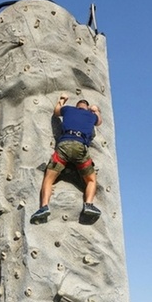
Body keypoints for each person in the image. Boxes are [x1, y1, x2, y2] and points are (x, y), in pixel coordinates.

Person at [31, 93, 103, 223]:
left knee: (48, 178)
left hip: (64, 146)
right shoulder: (91, 115)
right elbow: (99, 121)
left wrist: (62, 99)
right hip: (80, 148)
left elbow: (57, 111)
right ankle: (89, 205)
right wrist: (96, 110)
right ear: (86, 108)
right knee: (91, 180)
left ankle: (44, 207)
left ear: (77, 106)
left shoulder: (69, 109)